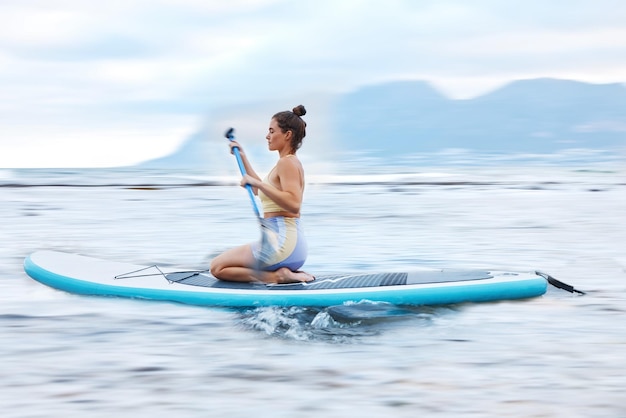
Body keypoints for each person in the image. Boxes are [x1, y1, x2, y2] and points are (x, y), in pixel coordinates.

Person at [210, 105, 315, 284]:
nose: (267, 136)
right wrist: (242, 157)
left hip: (282, 244)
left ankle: (278, 276)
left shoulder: (287, 164)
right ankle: (283, 273)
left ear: (287, 135)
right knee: (222, 265)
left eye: (272, 131)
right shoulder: (287, 163)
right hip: (291, 246)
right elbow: (260, 191)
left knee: (217, 267)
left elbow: (294, 203)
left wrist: (257, 183)